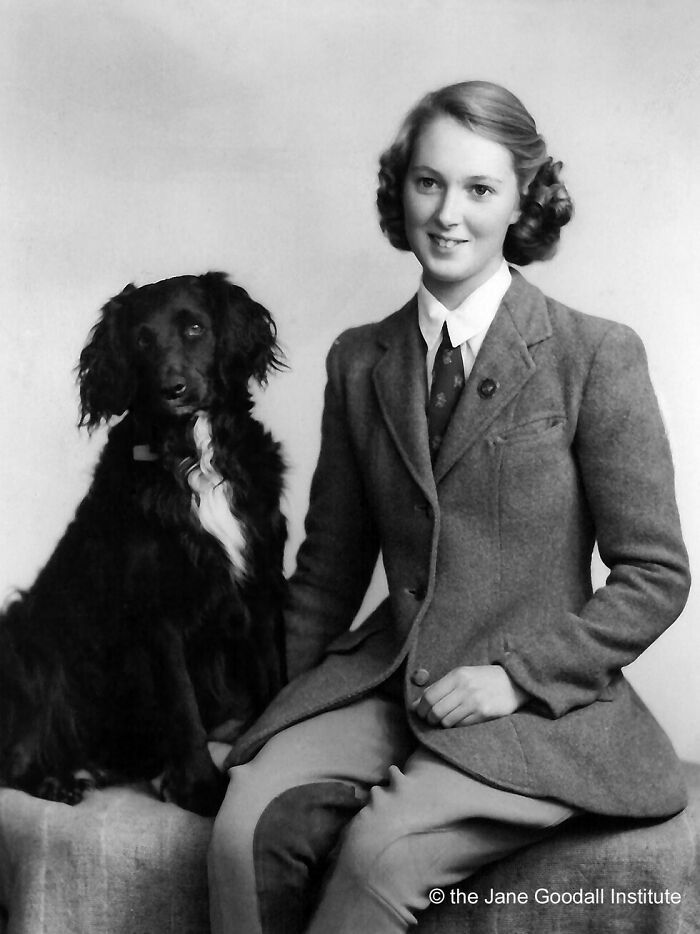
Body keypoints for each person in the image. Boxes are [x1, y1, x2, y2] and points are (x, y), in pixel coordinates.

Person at [207, 80, 690, 934]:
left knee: (379, 857)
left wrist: (517, 679)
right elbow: (327, 572)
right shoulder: (360, 361)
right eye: (428, 182)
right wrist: (262, 704)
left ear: (523, 201)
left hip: (531, 710)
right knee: (243, 829)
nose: (448, 214)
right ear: (400, 190)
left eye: (479, 188)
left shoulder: (595, 354)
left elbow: (655, 575)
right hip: (386, 680)